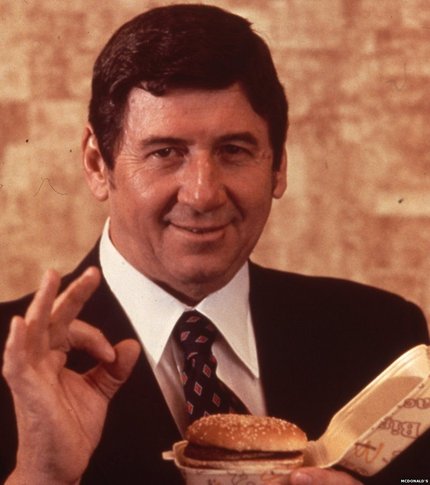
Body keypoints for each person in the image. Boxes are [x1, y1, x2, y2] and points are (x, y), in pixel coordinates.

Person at [0, 4, 429, 484]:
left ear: (278, 167)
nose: (203, 194)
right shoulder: (16, 367)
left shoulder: (384, 338)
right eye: (165, 152)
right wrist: (41, 473)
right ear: (98, 164)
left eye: (233, 151)